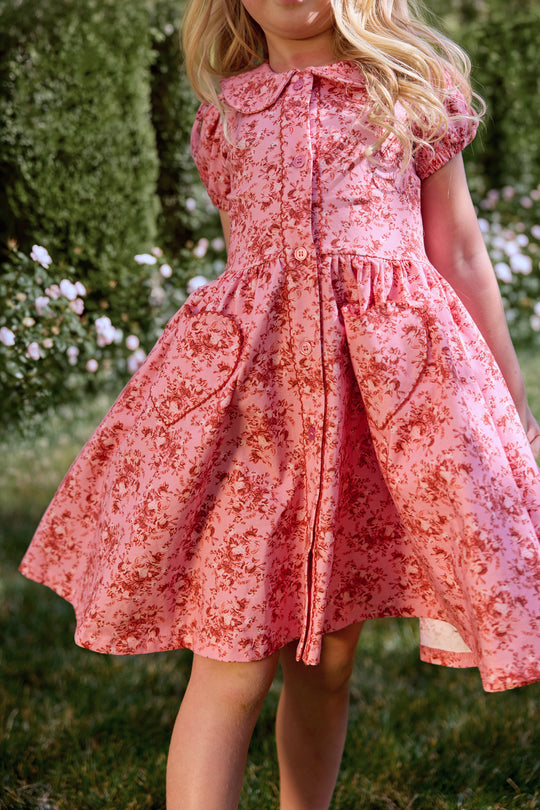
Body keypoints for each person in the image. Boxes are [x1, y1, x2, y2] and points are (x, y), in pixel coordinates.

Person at [20, 1, 540, 808]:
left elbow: (460, 248)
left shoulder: (409, 89)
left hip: (382, 405)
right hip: (255, 416)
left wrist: (507, 398)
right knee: (231, 654)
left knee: (326, 662)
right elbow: (250, 274)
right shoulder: (229, 111)